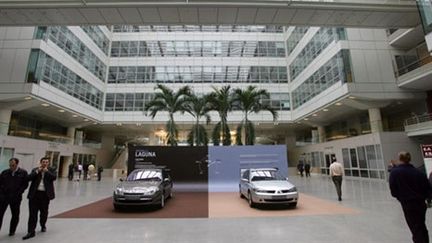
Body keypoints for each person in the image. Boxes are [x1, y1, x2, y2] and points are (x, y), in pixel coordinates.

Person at [389, 151, 432, 243]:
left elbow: (393, 190)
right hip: (420, 203)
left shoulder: (395, 172)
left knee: (415, 227)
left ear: (400, 159)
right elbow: (427, 188)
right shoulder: (419, 172)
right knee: (421, 225)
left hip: (407, 203)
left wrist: (400, 197)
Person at [22, 157, 57, 240]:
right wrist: (37, 171)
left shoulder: (51, 170)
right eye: (43, 162)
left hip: (45, 195)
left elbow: (54, 178)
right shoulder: (35, 170)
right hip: (34, 195)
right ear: (40, 162)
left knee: (44, 212)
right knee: (32, 214)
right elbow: (28, 178)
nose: (45, 163)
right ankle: (31, 231)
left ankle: (43, 224)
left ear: (48, 163)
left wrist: (47, 172)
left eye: (46, 162)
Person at [0, 158, 28, 236]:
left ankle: (12, 231)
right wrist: (1, 194)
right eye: (10, 164)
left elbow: (25, 184)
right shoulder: (5, 172)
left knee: (15, 215)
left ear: (16, 164)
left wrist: (19, 192)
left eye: (13, 164)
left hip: (16, 198)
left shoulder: (23, 173)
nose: (11, 166)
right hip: (4, 198)